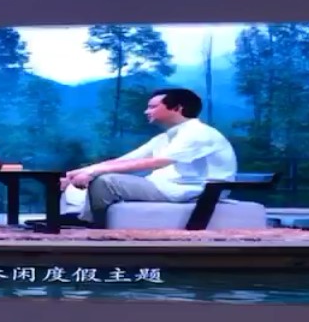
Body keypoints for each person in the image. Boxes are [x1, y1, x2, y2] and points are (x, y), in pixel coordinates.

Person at [60, 88, 237, 228]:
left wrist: (93, 173)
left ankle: (94, 226)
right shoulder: (166, 137)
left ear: (177, 108)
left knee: (106, 182)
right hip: (167, 186)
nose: (146, 111)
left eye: (153, 107)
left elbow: (157, 162)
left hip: (193, 190)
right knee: (83, 182)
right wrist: (73, 174)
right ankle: (70, 219)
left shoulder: (197, 133)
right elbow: (124, 160)